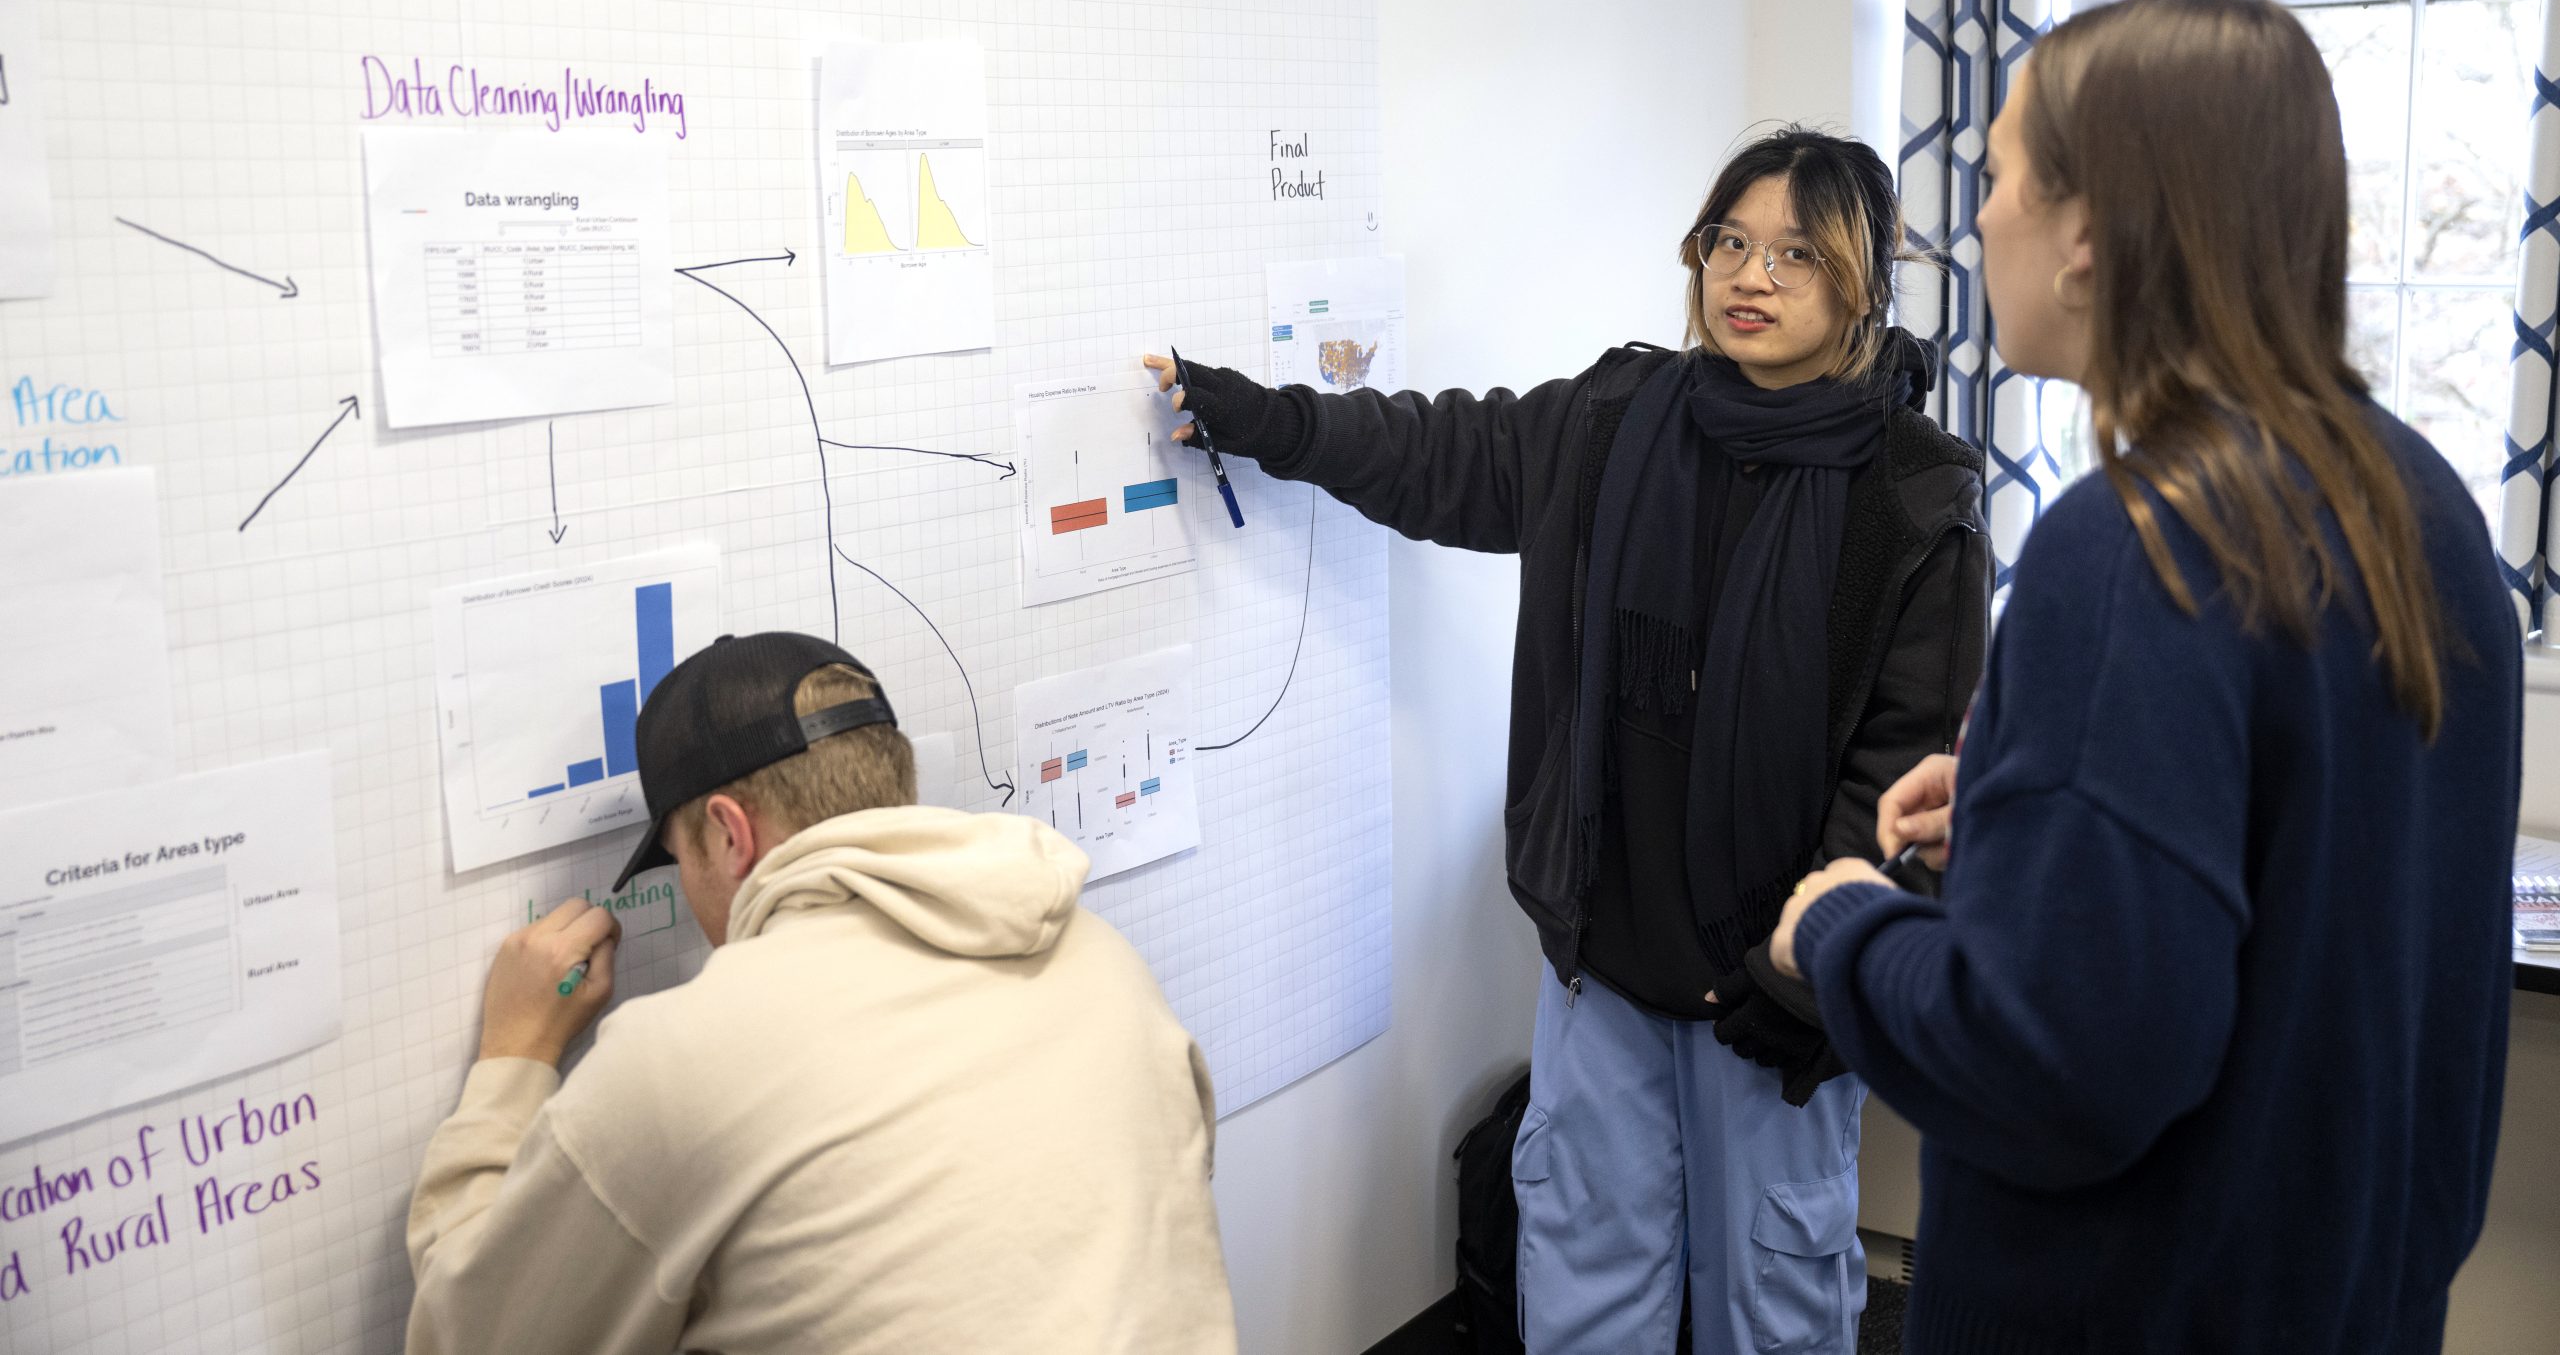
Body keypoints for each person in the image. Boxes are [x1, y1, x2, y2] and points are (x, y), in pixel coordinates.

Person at [1148, 126, 1988, 1354]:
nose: (1749, 277)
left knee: (1776, 1299)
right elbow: (1438, 453)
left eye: (1794, 255)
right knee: (1588, 1280)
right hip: (1605, 959)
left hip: (1778, 988)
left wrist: (1797, 975)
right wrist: (1269, 420)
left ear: (1860, 280)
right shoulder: (1616, 419)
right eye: (1730, 244)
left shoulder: (1913, 494)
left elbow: (1898, 765)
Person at [1771, 0, 2524, 1353]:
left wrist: (1845, 928)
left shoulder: (2134, 545)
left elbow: (2056, 1063)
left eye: (1998, 175)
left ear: (2088, 235)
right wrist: (2020, 793)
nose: (1977, 215)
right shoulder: (2416, 504)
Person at [403, 632, 1237, 1355]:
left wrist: (514, 1055)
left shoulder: (684, 1057)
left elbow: (470, 1335)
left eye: (681, 858)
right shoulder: (1102, 958)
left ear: (730, 834)